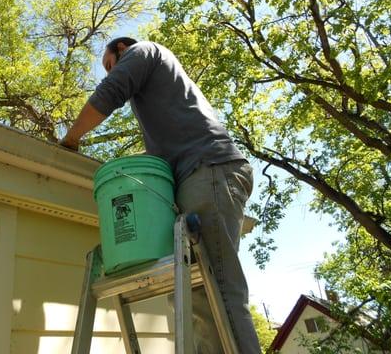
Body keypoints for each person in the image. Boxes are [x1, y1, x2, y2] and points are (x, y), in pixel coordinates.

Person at [60, 37, 261, 353]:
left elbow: (110, 92)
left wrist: (71, 139)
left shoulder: (145, 51)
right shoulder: (159, 101)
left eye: (111, 66)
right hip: (194, 174)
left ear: (123, 50)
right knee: (192, 293)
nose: (111, 74)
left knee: (217, 288)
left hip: (207, 168)